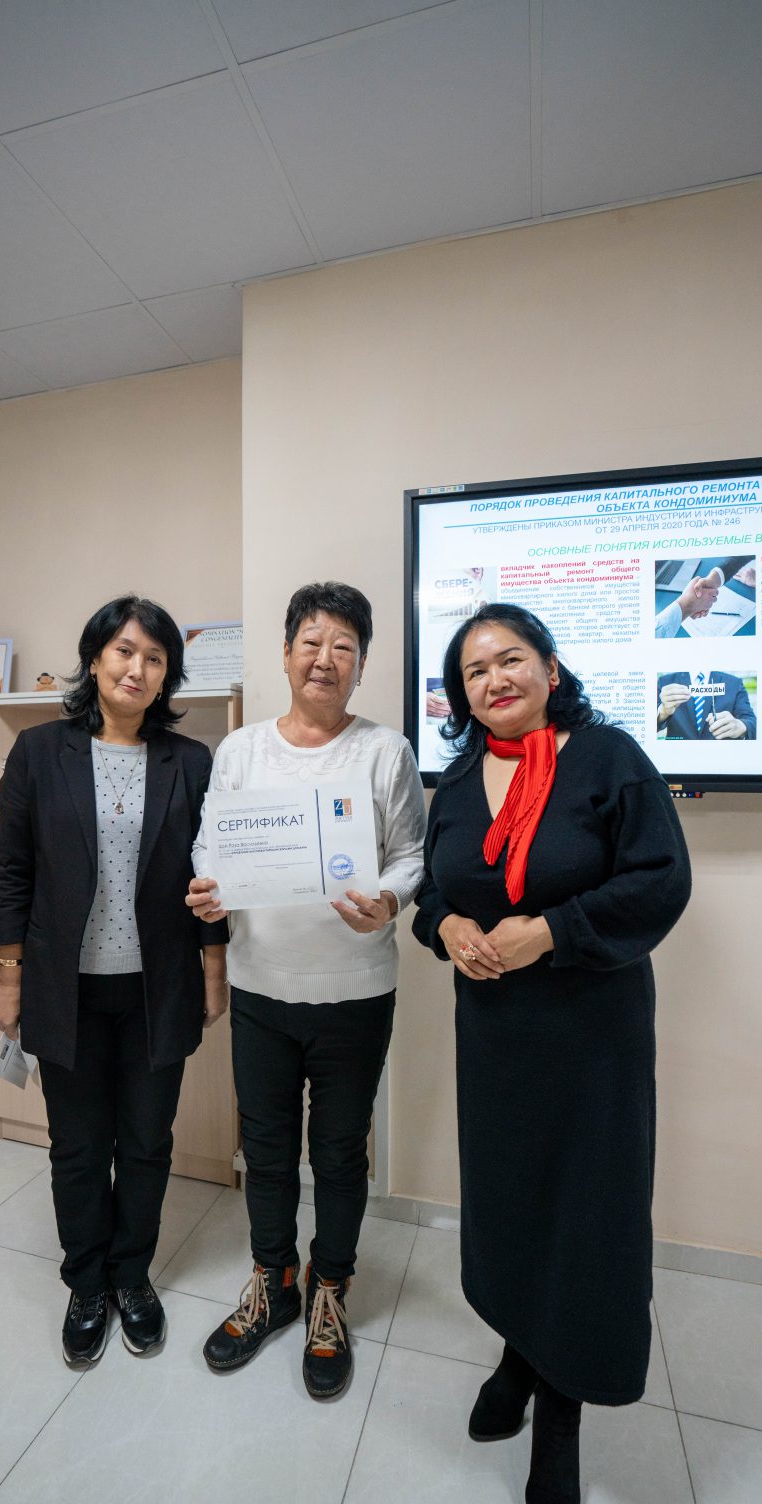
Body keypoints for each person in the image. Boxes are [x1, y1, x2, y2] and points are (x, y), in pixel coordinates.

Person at [412, 603, 690, 1504]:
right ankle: (520, 1354)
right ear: (461, 696)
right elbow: (434, 894)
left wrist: (553, 931)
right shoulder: (457, 782)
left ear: (551, 668)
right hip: (496, 1042)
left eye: (511, 659)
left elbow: (661, 878)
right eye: (475, 670)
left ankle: (559, 1416)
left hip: (593, 1039)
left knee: (585, 1215)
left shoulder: (610, 760)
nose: (495, 679)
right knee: (511, 1207)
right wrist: (448, 925)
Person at [187, 581, 426, 1399]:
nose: (326, 659)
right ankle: (273, 1282)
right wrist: (208, 887)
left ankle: (331, 1290)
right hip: (261, 987)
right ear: (286, 654)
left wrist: (389, 898)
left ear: (361, 664)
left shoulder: (385, 752)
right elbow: (210, 846)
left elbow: (411, 855)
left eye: (344, 647)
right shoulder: (241, 750)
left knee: (339, 1151)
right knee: (266, 1149)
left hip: (356, 991)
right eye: (312, 642)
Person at [0, 595, 228, 1369]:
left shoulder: (191, 762)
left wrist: (214, 966)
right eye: (125, 651)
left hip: (159, 988)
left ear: (166, 676)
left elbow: (209, 877)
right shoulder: (38, 752)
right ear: (95, 659)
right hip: (66, 988)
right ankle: (86, 1282)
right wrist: (8, 978)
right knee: (80, 1146)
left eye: (155, 658)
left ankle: (132, 1275)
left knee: (148, 1142)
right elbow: (14, 873)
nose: (137, 669)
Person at [657, 669, 757, 739]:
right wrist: (663, 712)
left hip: (722, 757)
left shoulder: (734, 683)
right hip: (677, 756)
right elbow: (650, 727)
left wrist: (740, 726)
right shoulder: (665, 681)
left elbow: (752, 723)